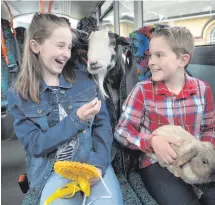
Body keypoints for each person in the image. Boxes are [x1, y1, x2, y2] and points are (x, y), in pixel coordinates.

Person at [7, 13, 123, 205]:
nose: (67, 54)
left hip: (91, 161)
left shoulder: (86, 79)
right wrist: (76, 120)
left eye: (69, 47)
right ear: (35, 46)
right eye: (60, 46)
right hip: (51, 170)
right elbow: (36, 145)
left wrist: (99, 163)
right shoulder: (18, 95)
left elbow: (102, 126)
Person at [115, 26, 215, 205]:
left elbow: (210, 128)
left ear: (182, 60)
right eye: (150, 55)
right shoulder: (142, 91)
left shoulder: (202, 89)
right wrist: (151, 142)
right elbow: (122, 131)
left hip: (197, 160)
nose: (151, 62)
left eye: (159, 55)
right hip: (157, 163)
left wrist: (206, 152)